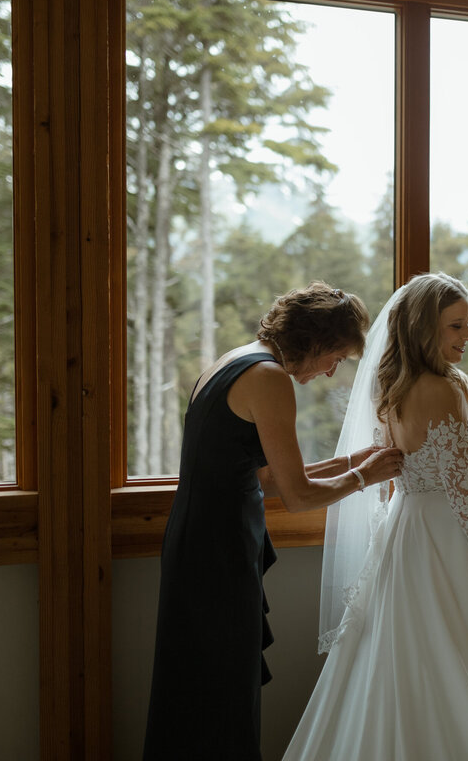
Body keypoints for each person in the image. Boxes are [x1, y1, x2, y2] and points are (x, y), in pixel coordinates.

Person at [281, 272, 468, 761]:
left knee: (406, 661)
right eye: (456, 326)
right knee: (451, 662)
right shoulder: (442, 388)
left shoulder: (392, 385)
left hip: (407, 532)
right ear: (425, 328)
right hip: (447, 538)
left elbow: (404, 470)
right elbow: (466, 498)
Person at [143, 281, 404, 760]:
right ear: (318, 341)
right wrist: (365, 477)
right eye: (337, 358)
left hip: (197, 539)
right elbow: (299, 496)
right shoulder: (268, 378)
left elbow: (263, 478)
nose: (331, 372)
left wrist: (351, 462)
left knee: (199, 684)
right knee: (222, 686)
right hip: (218, 549)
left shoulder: (235, 360)